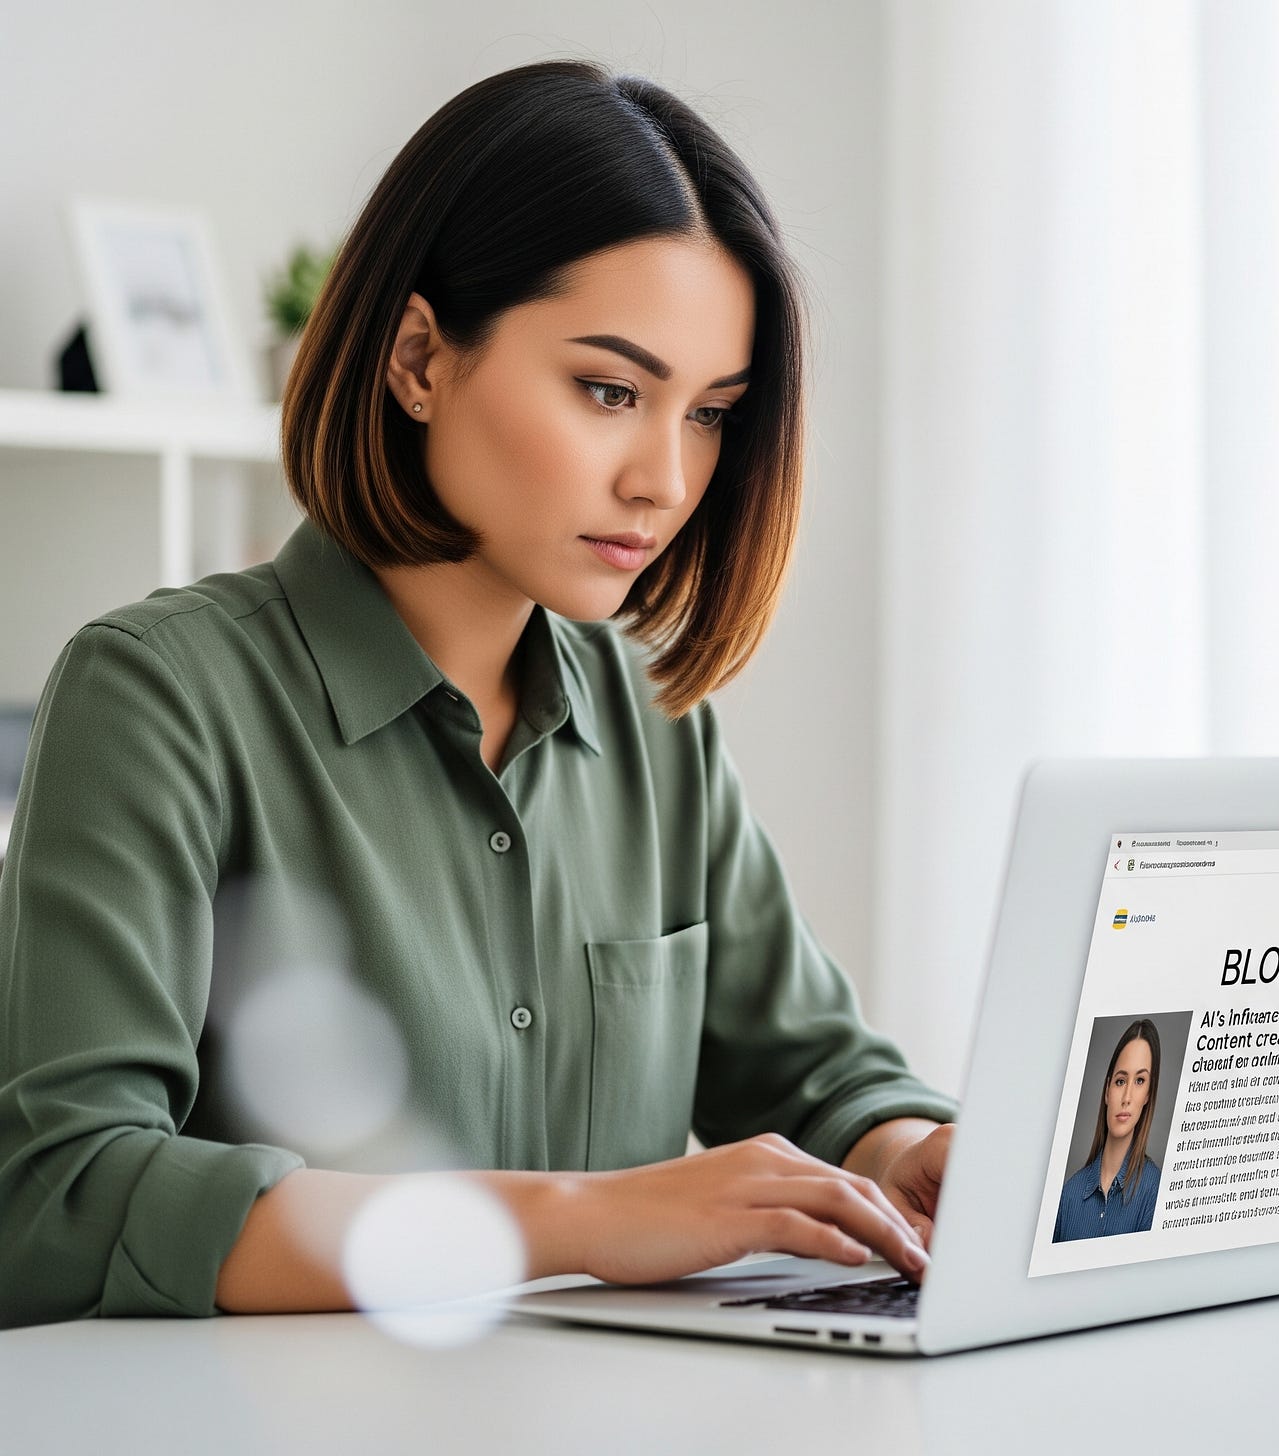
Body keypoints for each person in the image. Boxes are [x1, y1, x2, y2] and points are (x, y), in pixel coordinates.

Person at [0, 59, 958, 1328]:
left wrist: (904, 1152)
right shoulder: (160, 700)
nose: (666, 480)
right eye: (610, 390)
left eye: (712, 413)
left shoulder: (652, 725)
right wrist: (578, 1217)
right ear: (416, 359)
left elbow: (814, 1067)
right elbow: (64, 1199)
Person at [1052, 1019, 1162, 1242]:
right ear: (1107, 1091)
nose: (1127, 1097)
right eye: (1121, 1082)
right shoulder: (1068, 1196)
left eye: (1140, 1081)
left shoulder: (1156, 1192)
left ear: (1148, 1096)